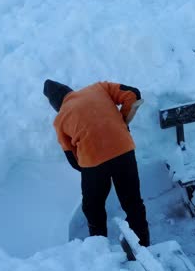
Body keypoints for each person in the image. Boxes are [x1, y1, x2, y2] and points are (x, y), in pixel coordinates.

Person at [44, 79, 151, 248]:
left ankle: (100, 249)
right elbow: (133, 94)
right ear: (69, 90)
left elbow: (73, 159)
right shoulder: (99, 88)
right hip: (124, 150)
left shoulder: (60, 119)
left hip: (93, 163)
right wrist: (120, 124)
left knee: (92, 207)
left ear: (56, 105)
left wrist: (91, 165)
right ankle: (143, 245)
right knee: (132, 202)